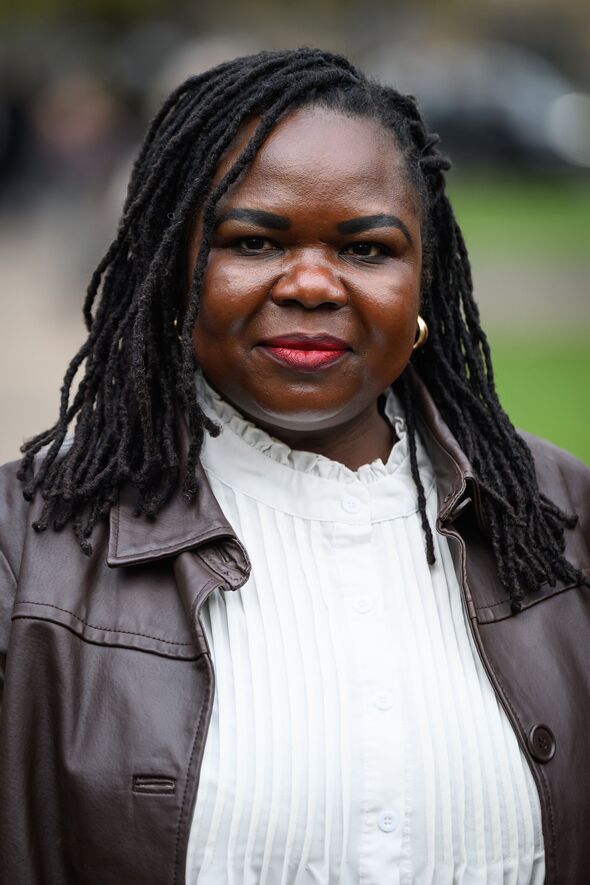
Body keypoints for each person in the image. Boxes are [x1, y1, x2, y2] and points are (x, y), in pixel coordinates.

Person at [0, 47, 588, 885]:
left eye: (367, 249)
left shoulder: (559, 518)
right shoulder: (26, 547)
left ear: (425, 279)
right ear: (174, 269)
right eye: (253, 240)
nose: (312, 284)